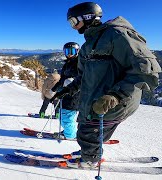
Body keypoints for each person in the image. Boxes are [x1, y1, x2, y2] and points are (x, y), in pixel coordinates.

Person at [51, 2, 161, 168]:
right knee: (86, 129)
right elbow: (84, 76)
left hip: (116, 101)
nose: (73, 27)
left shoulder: (116, 34)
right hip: (94, 100)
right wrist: (68, 89)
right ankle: (90, 152)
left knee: (89, 131)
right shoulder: (89, 45)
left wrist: (115, 96)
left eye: (74, 22)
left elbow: (146, 70)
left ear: (87, 17)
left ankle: (90, 160)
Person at [50, 42, 80, 140]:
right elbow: (62, 79)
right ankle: (68, 130)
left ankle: (70, 135)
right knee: (63, 115)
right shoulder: (68, 64)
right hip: (65, 94)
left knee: (67, 116)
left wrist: (72, 81)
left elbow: (83, 77)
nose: (69, 53)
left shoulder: (79, 63)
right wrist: (54, 89)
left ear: (77, 51)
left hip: (75, 95)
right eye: (67, 51)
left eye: (72, 51)